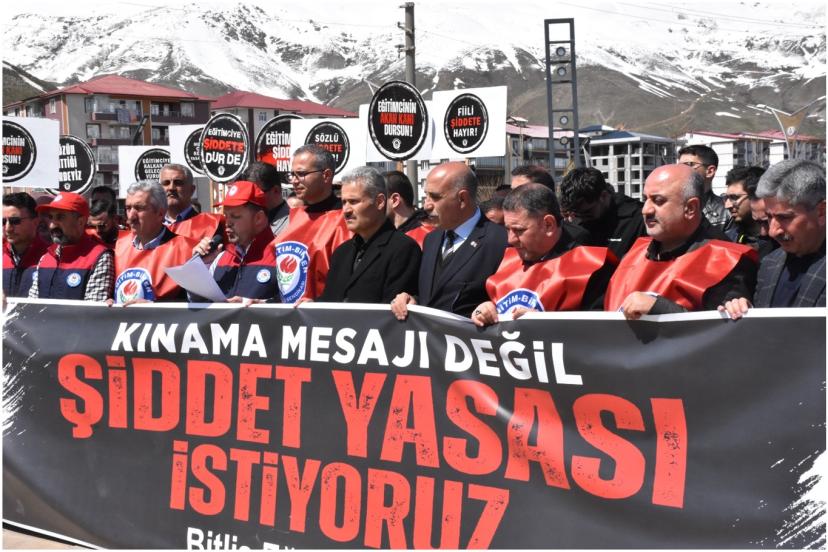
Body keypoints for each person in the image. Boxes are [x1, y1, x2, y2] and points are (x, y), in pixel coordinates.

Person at [604, 164, 758, 318]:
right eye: (645, 199)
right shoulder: (635, 251)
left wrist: (660, 309)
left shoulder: (726, 260)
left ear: (690, 208)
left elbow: (722, 327)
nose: (646, 210)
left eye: (658, 201)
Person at [471, 184, 617, 327]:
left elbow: (601, 331)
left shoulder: (591, 267)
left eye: (519, 230)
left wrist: (546, 324)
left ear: (548, 224)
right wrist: (485, 309)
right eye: (508, 229)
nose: (510, 239)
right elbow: (495, 305)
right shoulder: (508, 260)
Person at [391, 161, 507, 319]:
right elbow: (433, 296)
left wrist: (491, 309)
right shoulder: (431, 240)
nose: (426, 205)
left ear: (462, 199)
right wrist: (411, 300)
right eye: (426, 195)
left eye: (435, 197)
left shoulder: (500, 242)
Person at [721, 160, 825, 318]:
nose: (772, 231)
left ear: (821, 212)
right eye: (769, 217)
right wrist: (746, 312)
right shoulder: (770, 263)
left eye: (785, 217)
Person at [312, 167, 421, 303]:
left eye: (354, 201)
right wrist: (310, 307)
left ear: (380, 202)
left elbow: (393, 310)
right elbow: (330, 301)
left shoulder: (403, 249)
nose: (346, 210)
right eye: (344, 202)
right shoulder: (341, 252)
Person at [275, 144, 350, 303]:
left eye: (301, 174)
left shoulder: (346, 219)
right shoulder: (295, 217)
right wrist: (266, 302)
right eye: (292, 174)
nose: (294, 181)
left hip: (324, 313)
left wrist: (318, 305)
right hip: (290, 313)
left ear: (326, 175)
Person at [192, 180, 280, 302]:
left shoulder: (281, 256)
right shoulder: (220, 258)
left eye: (235, 216)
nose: (227, 223)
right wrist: (200, 266)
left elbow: (294, 305)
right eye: (226, 216)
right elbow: (198, 303)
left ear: (259, 218)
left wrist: (261, 305)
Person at [113, 180, 199, 303]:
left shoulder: (188, 250)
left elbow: (200, 304)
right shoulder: (119, 246)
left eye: (139, 208)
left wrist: (154, 307)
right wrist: (108, 301)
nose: (131, 216)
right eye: (128, 208)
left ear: (160, 213)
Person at [28, 192, 113, 301]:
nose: (52, 225)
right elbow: (32, 303)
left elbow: (93, 308)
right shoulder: (46, 258)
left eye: (60, 217)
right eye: (51, 217)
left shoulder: (100, 258)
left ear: (80, 222)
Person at [559, 167, 646, 259]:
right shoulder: (575, 219)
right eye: (576, 213)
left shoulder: (637, 219)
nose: (581, 218)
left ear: (603, 196)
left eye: (587, 212)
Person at [159, 163, 224, 242]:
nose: (171, 188)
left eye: (178, 183)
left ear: (192, 190)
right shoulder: (150, 226)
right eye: (166, 183)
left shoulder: (211, 224)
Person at [722, 166, 777, 258]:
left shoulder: (784, 241)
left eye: (734, 198)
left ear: (756, 195)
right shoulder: (727, 239)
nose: (727, 205)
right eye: (726, 198)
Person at [3, 192, 49, 298]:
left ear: (35, 222)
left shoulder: (50, 256)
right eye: (3, 221)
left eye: (15, 221)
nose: (8, 228)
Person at [677, 144, 730, 231]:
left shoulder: (727, 212)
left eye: (689, 164)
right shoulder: (667, 207)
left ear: (710, 171)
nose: (681, 170)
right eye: (679, 167)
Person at [384, 170, 433, 247]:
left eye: (379, 199)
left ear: (395, 200)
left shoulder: (428, 237)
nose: (372, 204)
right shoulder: (382, 235)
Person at [239, 161, 290, 237]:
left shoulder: (292, 223)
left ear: (276, 190)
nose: (249, 199)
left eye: (255, 193)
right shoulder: (245, 221)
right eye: (247, 193)